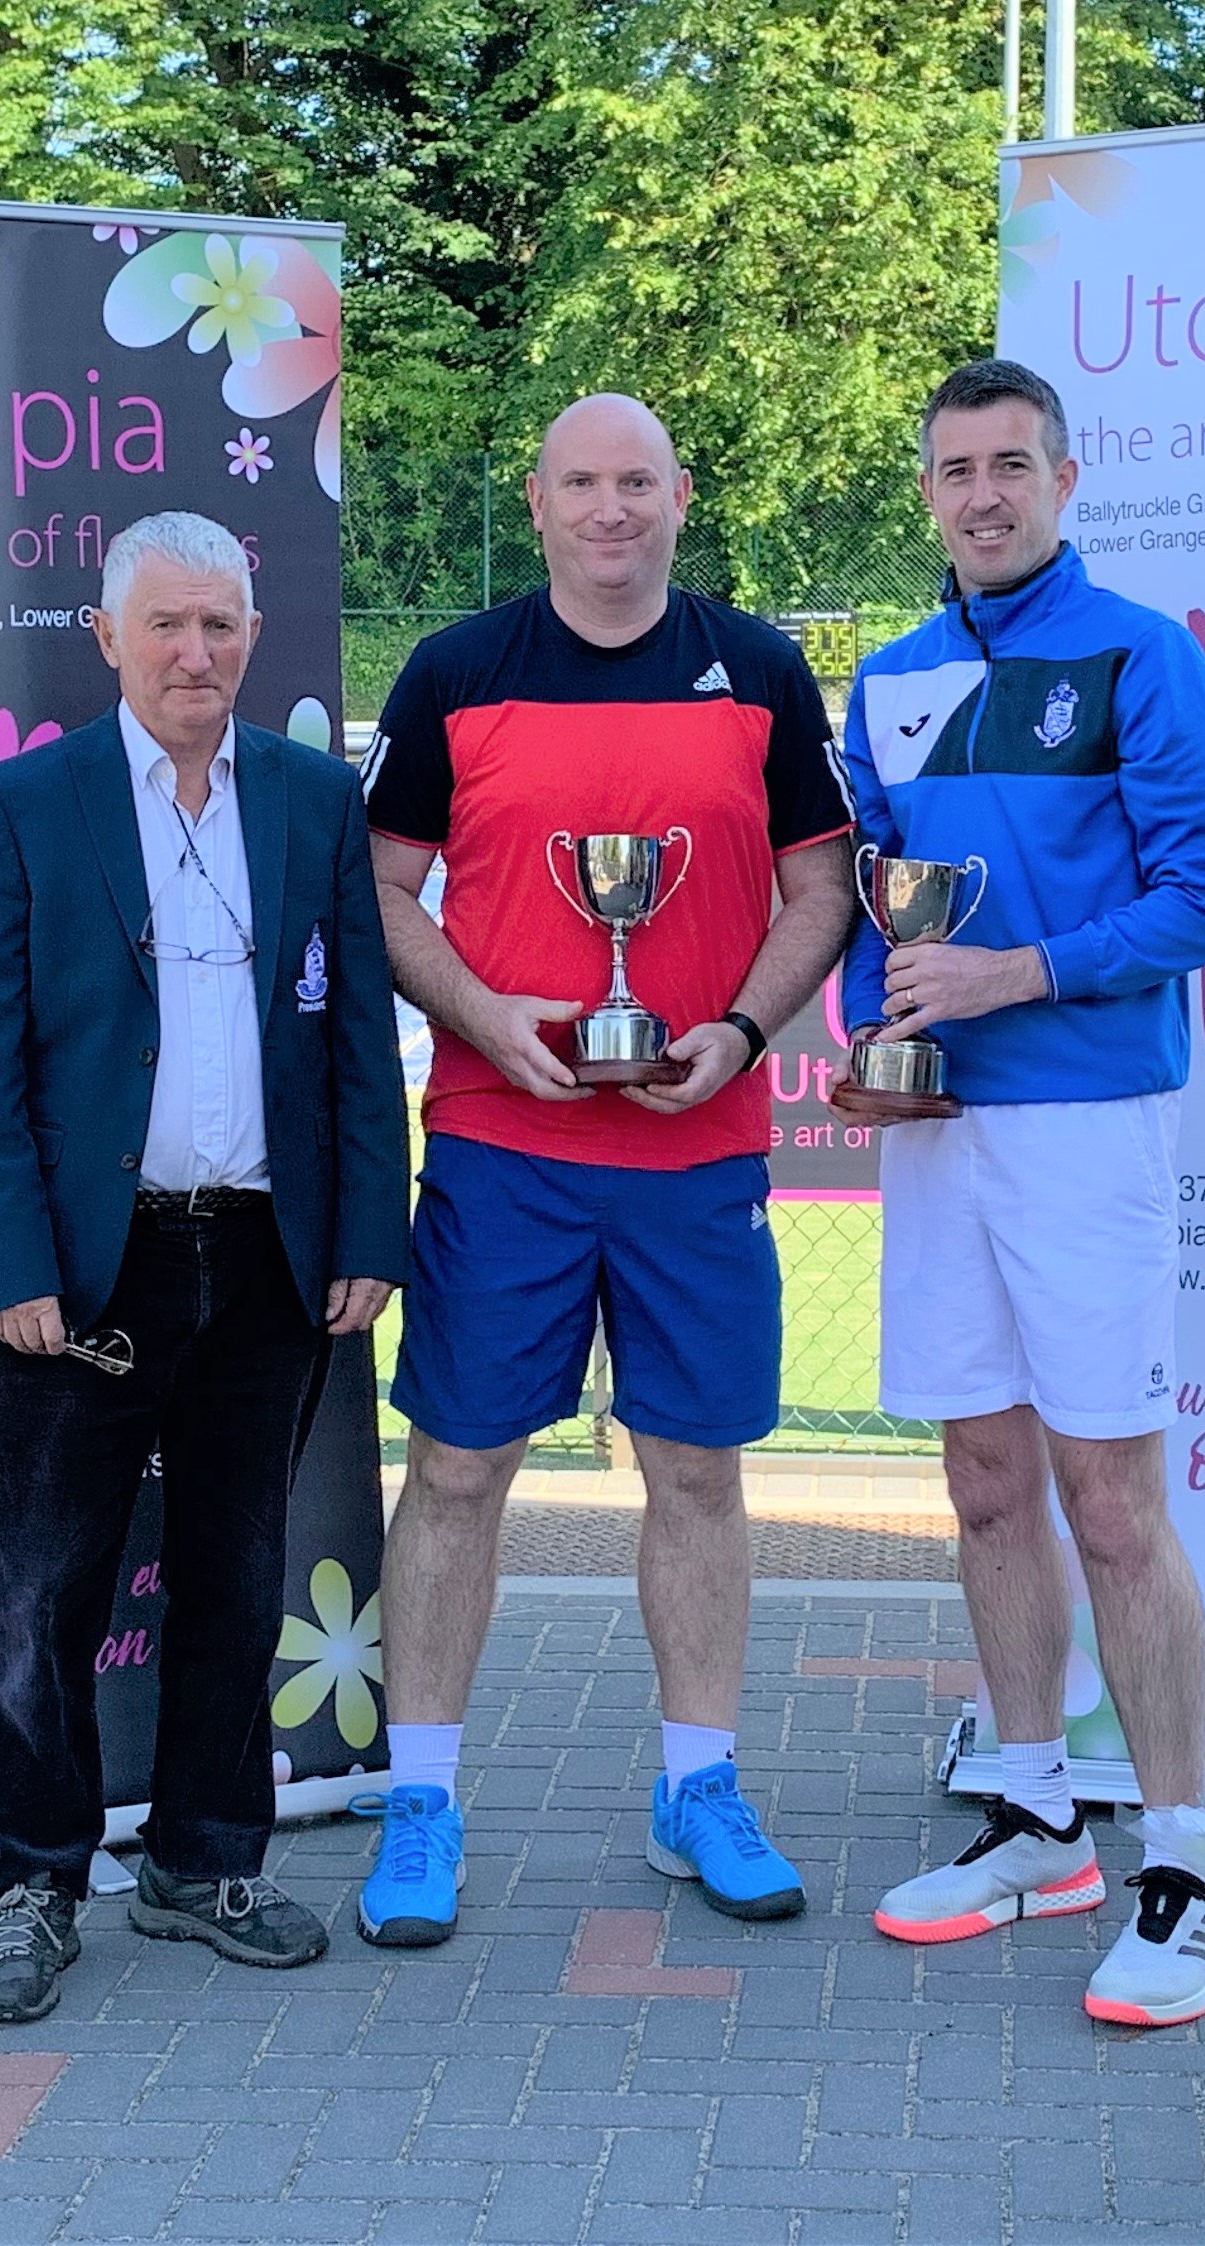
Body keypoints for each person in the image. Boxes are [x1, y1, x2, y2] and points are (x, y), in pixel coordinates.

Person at [356, 394, 856, 1944]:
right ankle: (420, 1800)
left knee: (695, 1469)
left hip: (695, 1146)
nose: (610, 508)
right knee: (455, 1470)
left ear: (679, 495)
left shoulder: (756, 668)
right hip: (501, 1140)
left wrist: (742, 1026)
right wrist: (482, 1015)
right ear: (537, 500)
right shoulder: (454, 670)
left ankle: (697, 1785)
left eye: (636, 480)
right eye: (581, 481)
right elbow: (381, 885)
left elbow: (822, 886)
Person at [0, 510, 409, 2023]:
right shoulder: (24, 804)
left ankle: (205, 1862)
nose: (194, 653)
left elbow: (356, 1037)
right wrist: (14, 1258)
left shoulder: (315, 799)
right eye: (165, 625)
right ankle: (31, 1883)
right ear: (108, 638)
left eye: (219, 625)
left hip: (266, 1260)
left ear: (253, 636)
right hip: (83, 1273)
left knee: (236, 1576)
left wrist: (366, 1232)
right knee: (43, 1593)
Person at [840, 360, 1205, 2027]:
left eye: (1011, 465)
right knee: (984, 1485)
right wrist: (879, 1033)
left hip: (1087, 1123)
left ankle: (1186, 1870)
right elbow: (874, 898)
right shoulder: (889, 675)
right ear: (927, 493)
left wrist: (1014, 974)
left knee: (1111, 1502)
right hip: (942, 1130)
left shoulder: (1144, 657)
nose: (984, 495)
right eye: (956, 470)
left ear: (1063, 482)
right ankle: (1036, 1819)